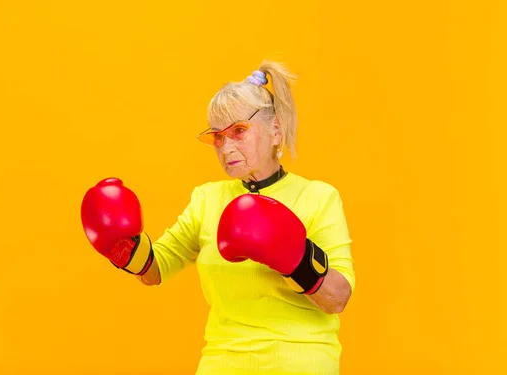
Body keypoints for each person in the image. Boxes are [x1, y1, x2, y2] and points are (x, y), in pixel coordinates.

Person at [80, 60, 356, 375]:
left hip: (301, 363)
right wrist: (125, 249)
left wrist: (295, 257)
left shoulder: (318, 197)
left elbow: (337, 298)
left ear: (276, 129)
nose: (226, 148)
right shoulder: (207, 199)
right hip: (221, 364)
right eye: (218, 137)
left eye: (238, 131)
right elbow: (156, 269)